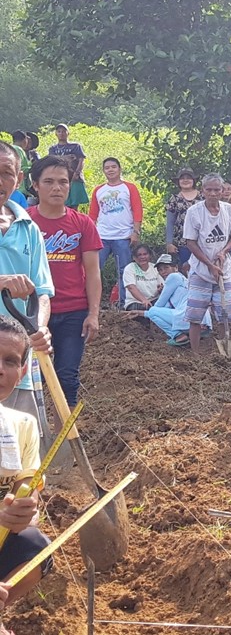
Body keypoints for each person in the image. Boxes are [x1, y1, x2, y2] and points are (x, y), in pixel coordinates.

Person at [27, 156, 102, 408]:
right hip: (30, 313)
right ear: (35, 185)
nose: (56, 188)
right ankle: (30, 438)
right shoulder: (23, 224)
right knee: (29, 378)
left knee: (67, 378)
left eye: (62, 182)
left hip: (73, 312)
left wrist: (93, 313)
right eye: (48, 181)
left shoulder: (82, 223)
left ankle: (66, 442)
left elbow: (92, 273)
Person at [0, 316, 53, 607]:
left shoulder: (23, 424)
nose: (0, 370)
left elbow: (27, 485)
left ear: (20, 374)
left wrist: (25, 508)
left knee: (36, 547)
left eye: (9, 361)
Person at [0, 141, 53, 430]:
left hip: (17, 355)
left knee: (22, 440)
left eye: (6, 173)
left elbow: (42, 291)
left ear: (18, 179)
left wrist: (40, 328)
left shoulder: (28, 226)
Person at [183, 173, 231, 354]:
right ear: (202, 191)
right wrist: (209, 264)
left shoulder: (229, 210)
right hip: (201, 271)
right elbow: (190, 242)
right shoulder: (194, 212)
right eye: (209, 190)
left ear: (223, 191)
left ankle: (224, 349)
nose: (213, 193)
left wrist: (223, 252)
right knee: (195, 315)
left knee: (225, 313)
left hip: (224, 270)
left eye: (217, 190)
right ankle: (195, 354)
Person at [89, 157, 143, 308]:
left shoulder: (129, 188)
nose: (110, 170)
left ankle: (123, 302)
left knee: (124, 271)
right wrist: (90, 234)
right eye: (107, 167)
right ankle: (92, 303)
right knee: (94, 270)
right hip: (102, 237)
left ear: (120, 169)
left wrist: (136, 231)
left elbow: (137, 210)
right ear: (103, 171)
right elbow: (92, 215)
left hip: (123, 236)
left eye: (114, 167)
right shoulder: (99, 190)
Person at [125, 253, 211, 346]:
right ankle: (188, 334)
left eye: (166, 267)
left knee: (153, 310)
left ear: (175, 268)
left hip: (191, 321)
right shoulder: (182, 280)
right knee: (155, 312)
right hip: (202, 322)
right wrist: (140, 313)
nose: (163, 272)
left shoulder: (174, 277)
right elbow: (166, 309)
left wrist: (141, 313)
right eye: (160, 270)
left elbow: (158, 307)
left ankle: (178, 336)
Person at [166, 168, 202, 269]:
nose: (185, 180)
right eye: (182, 178)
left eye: (188, 178)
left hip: (202, 241)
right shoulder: (174, 199)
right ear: (178, 181)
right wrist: (169, 243)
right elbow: (170, 223)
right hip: (182, 242)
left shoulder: (202, 197)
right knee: (186, 269)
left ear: (194, 180)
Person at [48, 124, 89, 209]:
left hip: (75, 178)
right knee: (61, 202)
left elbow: (81, 160)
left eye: (64, 131)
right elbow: (51, 161)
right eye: (59, 131)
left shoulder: (75, 146)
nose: (61, 133)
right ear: (56, 134)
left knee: (74, 205)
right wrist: (65, 158)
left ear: (68, 133)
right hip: (59, 179)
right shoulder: (53, 148)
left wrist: (77, 173)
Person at [123, 244, 162, 311]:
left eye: (145, 254)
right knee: (147, 309)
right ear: (134, 257)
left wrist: (161, 289)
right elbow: (131, 287)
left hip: (154, 300)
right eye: (139, 255)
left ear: (149, 255)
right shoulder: (130, 268)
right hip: (135, 302)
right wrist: (144, 300)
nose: (142, 257)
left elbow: (161, 285)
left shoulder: (155, 267)